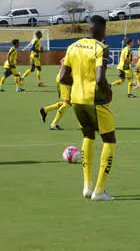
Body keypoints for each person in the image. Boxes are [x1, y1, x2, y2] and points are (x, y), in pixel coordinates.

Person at [59, 15, 115, 201]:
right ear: (102, 30)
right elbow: (100, 79)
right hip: (95, 100)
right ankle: (99, 190)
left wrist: (79, 83)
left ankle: (87, 186)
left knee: (88, 135)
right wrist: (108, 91)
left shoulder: (72, 47)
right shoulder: (101, 48)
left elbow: (62, 78)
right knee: (109, 140)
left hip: (76, 99)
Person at [40, 57, 71, 130]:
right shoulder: (75, 52)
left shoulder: (74, 51)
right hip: (65, 80)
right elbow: (62, 61)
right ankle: (54, 124)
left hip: (63, 78)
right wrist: (65, 73)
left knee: (69, 102)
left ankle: (45, 110)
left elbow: (62, 60)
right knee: (67, 103)